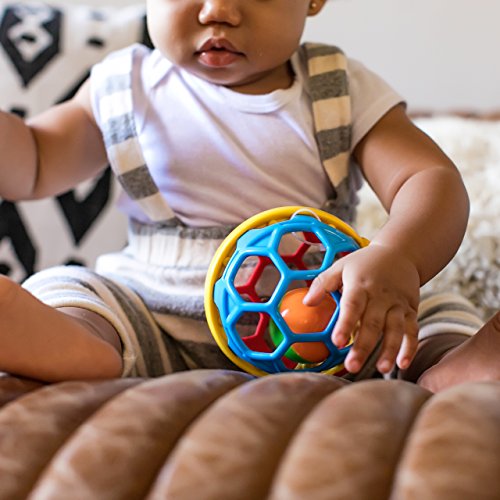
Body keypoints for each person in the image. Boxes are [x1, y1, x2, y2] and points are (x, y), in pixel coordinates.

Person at [0, 0, 496, 392]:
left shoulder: (338, 88)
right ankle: (77, 345)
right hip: (150, 313)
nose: (218, 9)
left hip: (327, 326)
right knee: (72, 290)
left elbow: (428, 177)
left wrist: (398, 256)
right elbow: (38, 159)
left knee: (424, 310)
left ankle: (448, 363)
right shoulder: (122, 87)